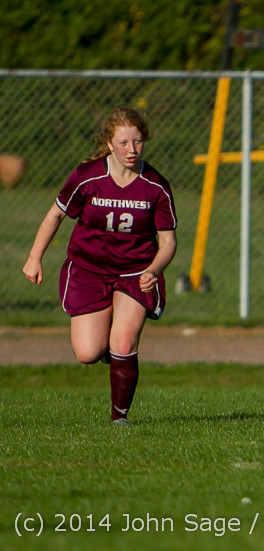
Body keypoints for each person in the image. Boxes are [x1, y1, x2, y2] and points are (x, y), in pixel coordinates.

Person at [23, 107, 178, 426]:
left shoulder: (156, 186)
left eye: (137, 142)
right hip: (89, 270)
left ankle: (119, 419)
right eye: (123, 142)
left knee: (123, 342)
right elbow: (55, 215)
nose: (131, 150)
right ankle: (107, 348)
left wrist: (155, 269)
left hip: (135, 273)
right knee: (87, 353)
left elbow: (169, 242)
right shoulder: (87, 176)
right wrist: (35, 256)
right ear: (109, 144)